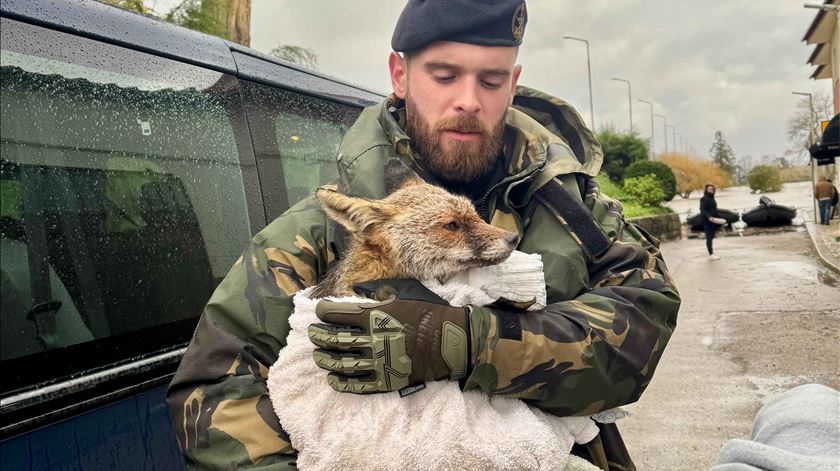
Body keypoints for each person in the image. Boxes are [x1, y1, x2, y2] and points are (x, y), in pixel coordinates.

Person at [166, 2, 681, 470]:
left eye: (491, 79)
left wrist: (467, 343)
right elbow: (211, 395)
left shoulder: (574, 210)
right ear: (400, 75)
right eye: (444, 74)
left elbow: (643, 328)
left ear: (514, 81)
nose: (468, 100)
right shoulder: (320, 228)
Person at [700, 183, 722, 260]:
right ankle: (711, 254)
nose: (711, 190)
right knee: (709, 237)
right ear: (706, 190)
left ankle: (711, 253)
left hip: (713, 220)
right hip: (707, 221)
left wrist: (718, 219)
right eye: (709, 189)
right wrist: (709, 217)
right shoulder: (704, 198)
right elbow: (702, 209)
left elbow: (714, 210)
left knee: (711, 237)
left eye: (712, 189)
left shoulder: (712, 198)